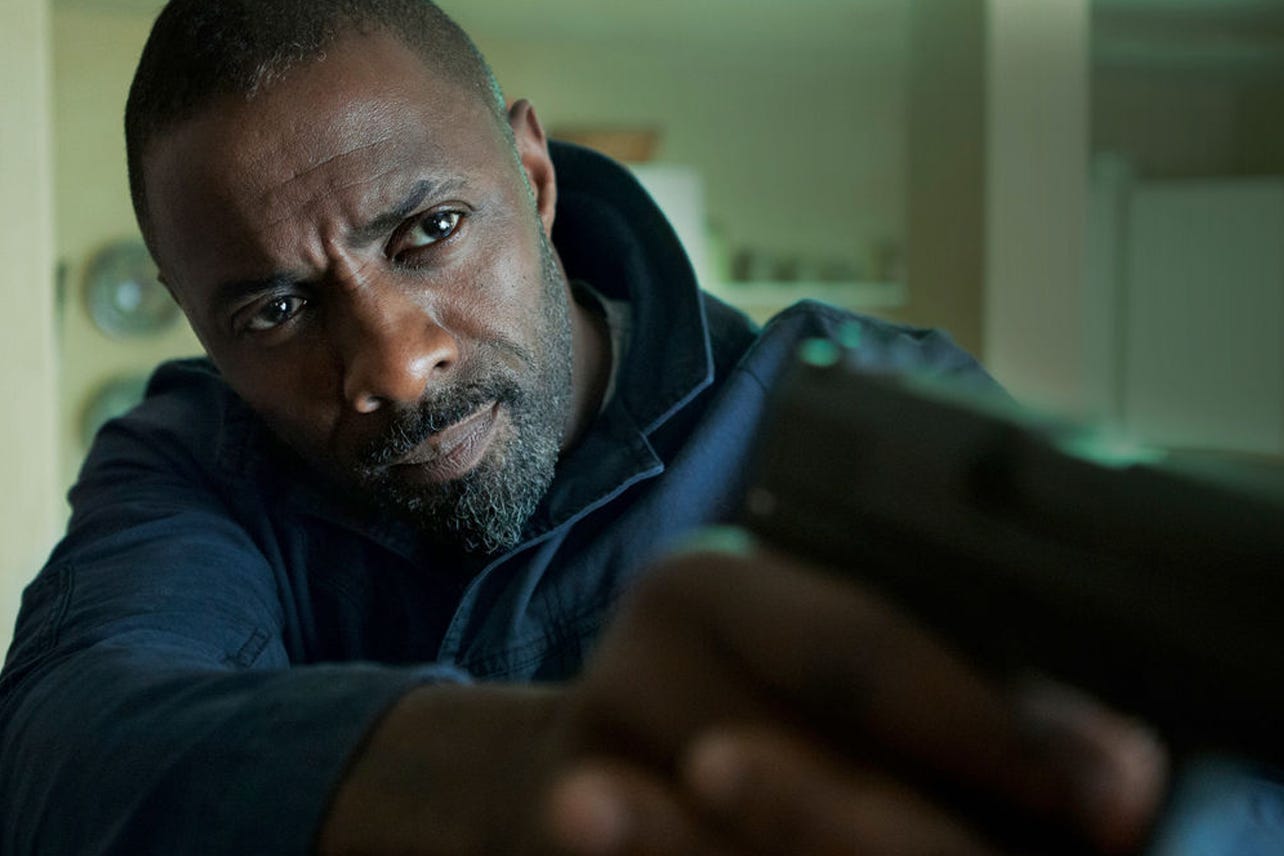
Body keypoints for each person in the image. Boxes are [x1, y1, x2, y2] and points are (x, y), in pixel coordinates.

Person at [0, 1, 1168, 853]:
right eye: (275, 310)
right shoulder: (194, 460)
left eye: (430, 231)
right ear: (197, 323)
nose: (396, 366)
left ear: (534, 173)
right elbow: (62, 747)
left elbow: (1165, 770)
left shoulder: (868, 406)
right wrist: (531, 773)